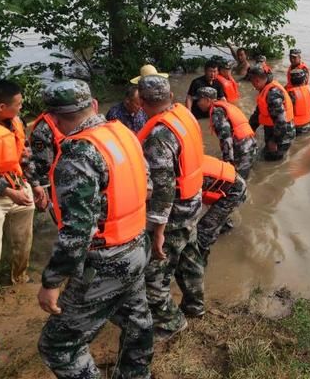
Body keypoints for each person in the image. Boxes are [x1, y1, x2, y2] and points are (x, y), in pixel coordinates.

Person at [36, 80, 153, 379]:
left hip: (106, 262)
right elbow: (148, 186)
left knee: (58, 346)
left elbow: (77, 233)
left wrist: (51, 281)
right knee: (136, 320)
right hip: (138, 246)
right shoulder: (122, 132)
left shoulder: (78, 156)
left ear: (53, 118)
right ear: (94, 105)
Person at [137, 75, 206, 339]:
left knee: (154, 273)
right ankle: (195, 306)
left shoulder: (159, 135)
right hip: (193, 202)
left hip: (175, 212)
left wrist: (157, 229)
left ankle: (169, 322)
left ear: (142, 102)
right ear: (171, 97)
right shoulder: (184, 115)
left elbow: (163, 187)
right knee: (190, 257)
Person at [0, 79, 45, 294]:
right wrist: (8, 192)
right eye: (18, 103)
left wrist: (35, 185)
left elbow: (25, 156)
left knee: (23, 238)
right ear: (1, 107)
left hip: (17, 186)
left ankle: (18, 277)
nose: (21, 107)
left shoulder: (15, 121)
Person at [195, 87, 258, 179]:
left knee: (237, 179)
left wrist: (228, 162)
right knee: (245, 177)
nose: (198, 104)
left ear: (207, 100)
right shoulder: (224, 106)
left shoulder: (216, 113)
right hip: (250, 145)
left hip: (243, 150)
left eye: (199, 100)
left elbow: (226, 138)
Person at [198, 155, 247, 260]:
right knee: (215, 218)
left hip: (233, 191)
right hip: (227, 183)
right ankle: (225, 227)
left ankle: (199, 261)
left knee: (203, 231)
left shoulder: (182, 175)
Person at [249, 65, 296, 161]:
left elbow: (281, 122)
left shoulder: (272, 94)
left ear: (257, 80)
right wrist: (249, 131)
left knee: (271, 162)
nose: (252, 84)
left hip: (282, 134)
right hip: (274, 130)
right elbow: (258, 113)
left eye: (252, 81)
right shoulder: (265, 89)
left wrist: (275, 141)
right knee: (263, 156)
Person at [286, 68, 310, 135]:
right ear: (304, 80)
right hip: (308, 125)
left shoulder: (290, 94)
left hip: (295, 127)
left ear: (291, 80)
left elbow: (285, 112)